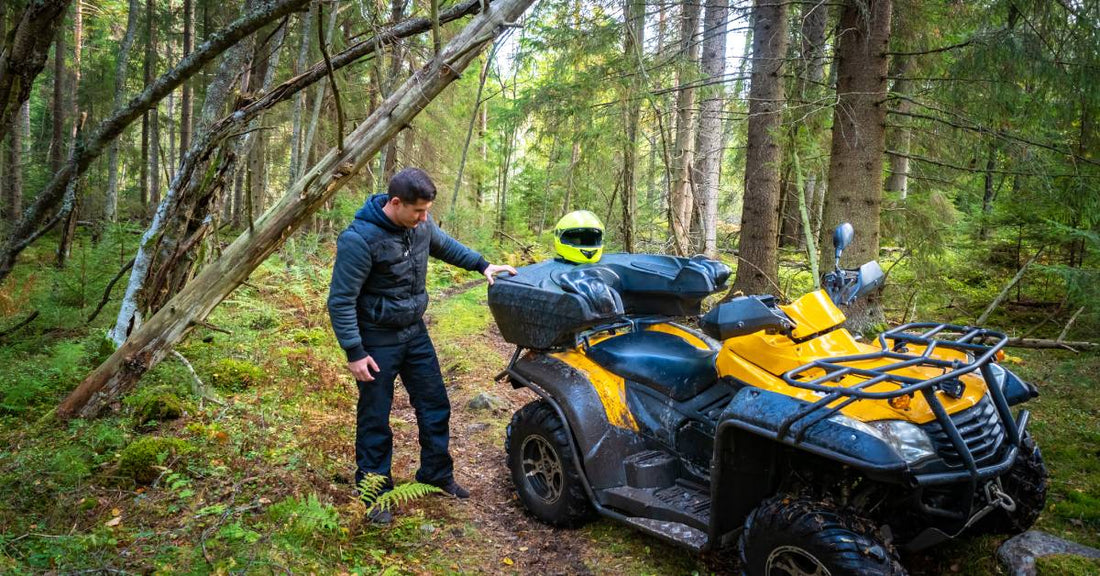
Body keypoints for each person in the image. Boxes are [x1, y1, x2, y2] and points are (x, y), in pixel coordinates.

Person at [327, 167, 516, 523]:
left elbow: (446, 246)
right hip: (376, 339)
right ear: (395, 203)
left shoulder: (421, 226)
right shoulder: (359, 240)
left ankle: (435, 474)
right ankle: (374, 493)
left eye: (427, 211)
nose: (424, 218)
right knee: (375, 417)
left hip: (415, 333)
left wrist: (483, 265)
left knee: (434, 404)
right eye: (418, 211)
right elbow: (340, 300)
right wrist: (354, 351)